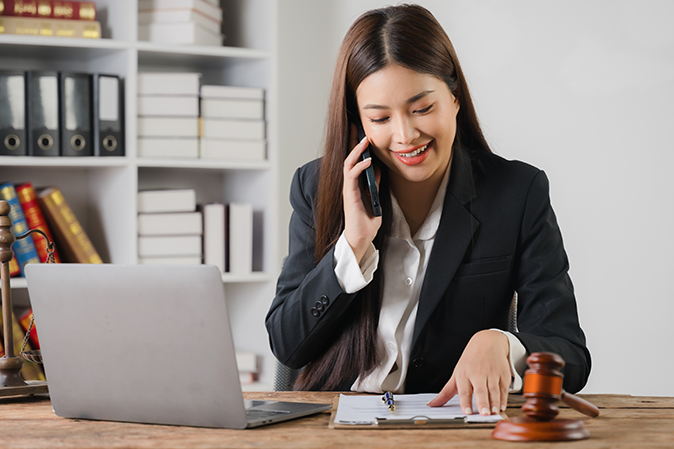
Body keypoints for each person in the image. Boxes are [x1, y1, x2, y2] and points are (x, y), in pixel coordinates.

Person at [265, 4, 590, 417]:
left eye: (422, 109)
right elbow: (287, 346)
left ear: (454, 98)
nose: (404, 135)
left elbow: (571, 354)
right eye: (380, 117)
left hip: (449, 425)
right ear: (358, 121)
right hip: (334, 424)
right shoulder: (318, 187)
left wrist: (503, 344)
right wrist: (353, 245)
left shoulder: (516, 193)